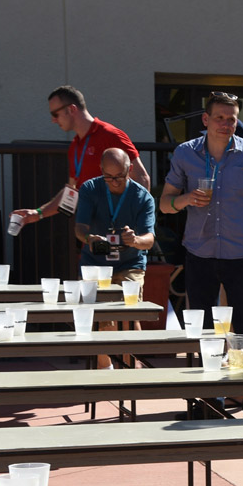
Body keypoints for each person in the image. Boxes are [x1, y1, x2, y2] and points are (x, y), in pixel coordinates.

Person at [161, 92, 243, 415]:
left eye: (232, 118)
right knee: (206, 332)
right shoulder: (185, 153)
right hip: (199, 253)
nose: (227, 124)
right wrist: (185, 200)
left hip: (240, 254)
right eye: (221, 117)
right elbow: (165, 203)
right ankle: (211, 401)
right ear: (205, 120)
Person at [13, 86, 150, 228]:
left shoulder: (110, 135)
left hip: (120, 234)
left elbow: (141, 177)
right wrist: (38, 213)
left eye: (55, 114)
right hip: (93, 234)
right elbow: (72, 192)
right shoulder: (75, 146)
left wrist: (133, 222)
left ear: (72, 109)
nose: (53, 120)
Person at [74, 148, 157, 367]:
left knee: (129, 313)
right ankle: (106, 368)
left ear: (129, 170)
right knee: (101, 316)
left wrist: (134, 240)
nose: (114, 182)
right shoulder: (90, 188)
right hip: (96, 264)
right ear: (101, 170)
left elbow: (149, 239)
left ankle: (131, 369)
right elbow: (79, 228)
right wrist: (89, 238)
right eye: (108, 177)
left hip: (130, 261)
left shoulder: (142, 197)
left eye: (119, 176)